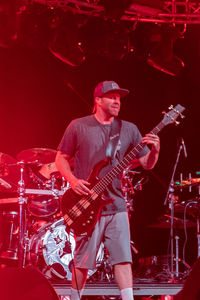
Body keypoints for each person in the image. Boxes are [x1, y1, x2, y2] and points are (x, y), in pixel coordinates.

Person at [55, 80, 160, 300]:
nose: (117, 101)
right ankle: (74, 298)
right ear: (98, 100)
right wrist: (73, 181)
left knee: (123, 259)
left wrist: (155, 152)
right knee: (82, 262)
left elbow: (146, 163)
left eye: (119, 98)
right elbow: (60, 158)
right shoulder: (79, 125)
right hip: (87, 204)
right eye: (112, 97)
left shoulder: (129, 129)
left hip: (117, 204)